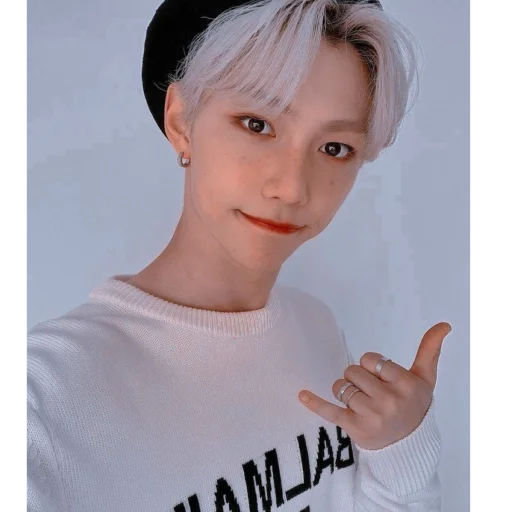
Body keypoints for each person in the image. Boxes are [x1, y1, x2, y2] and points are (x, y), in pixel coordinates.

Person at [25, 1, 446, 510]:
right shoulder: (42, 395)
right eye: (257, 124)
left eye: (335, 148)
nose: (292, 187)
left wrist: (401, 451)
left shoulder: (316, 326)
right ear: (181, 121)